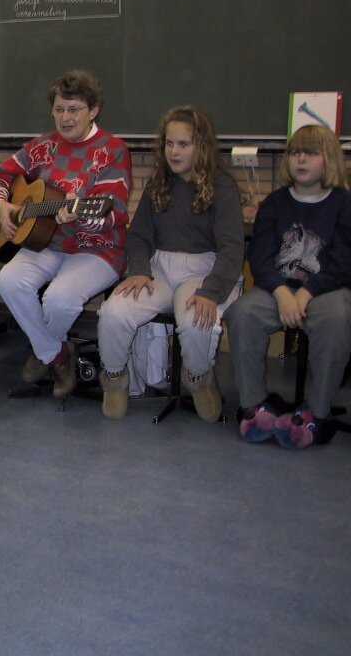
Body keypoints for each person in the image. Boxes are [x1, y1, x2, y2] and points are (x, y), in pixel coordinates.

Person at [0, 70, 132, 398]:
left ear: (93, 110)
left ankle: (43, 352)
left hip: (97, 249)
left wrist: (80, 217)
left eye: (74, 109)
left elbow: (115, 214)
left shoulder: (113, 150)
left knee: (59, 299)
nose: (65, 118)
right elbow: (0, 174)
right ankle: (56, 355)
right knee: (8, 281)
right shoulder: (43, 145)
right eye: (59, 109)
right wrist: (1, 205)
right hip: (47, 242)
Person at [97, 106, 244, 421]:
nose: (174, 152)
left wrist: (211, 292)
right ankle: (115, 378)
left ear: (201, 146)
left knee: (195, 320)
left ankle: (198, 378)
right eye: (169, 144)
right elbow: (138, 236)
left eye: (184, 144)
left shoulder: (222, 187)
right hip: (160, 270)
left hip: (203, 272)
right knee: (114, 312)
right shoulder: (158, 184)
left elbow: (232, 248)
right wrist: (139, 271)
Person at [224, 125, 351, 448]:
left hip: (326, 290)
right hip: (278, 288)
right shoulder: (275, 203)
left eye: (311, 153)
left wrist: (306, 294)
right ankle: (254, 406)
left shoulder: (343, 203)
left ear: (329, 159)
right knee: (242, 313)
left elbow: (343, 261)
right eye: (295, 152)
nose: (301, 159)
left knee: (337, 319)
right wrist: (281, 293)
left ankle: (316, 413)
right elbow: (260, 256)